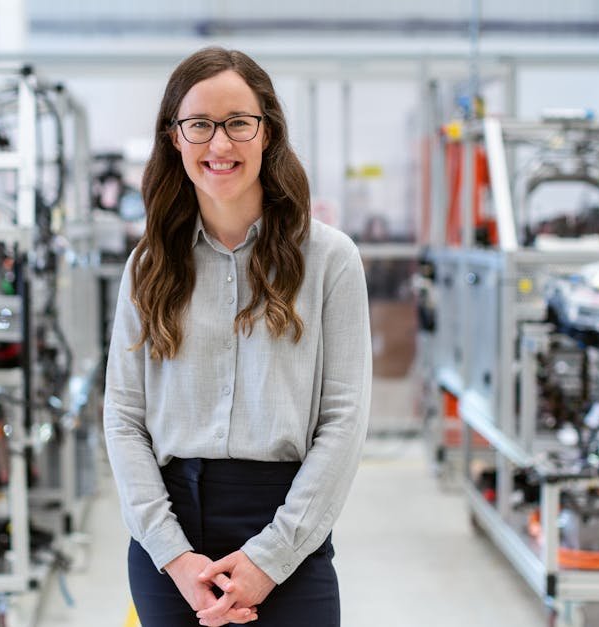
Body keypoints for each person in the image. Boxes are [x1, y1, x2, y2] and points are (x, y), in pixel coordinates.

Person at [104, 47, 371, 627]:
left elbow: (344, 419)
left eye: (238, 124)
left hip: (288, 528)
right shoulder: (148, 264)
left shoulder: (330, 259)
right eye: (199, 125)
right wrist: (173, 556)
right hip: (170, 533)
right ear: (174, 137)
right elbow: (124, 417)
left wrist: (269, 559)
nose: (219, 145)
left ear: (267, 132)